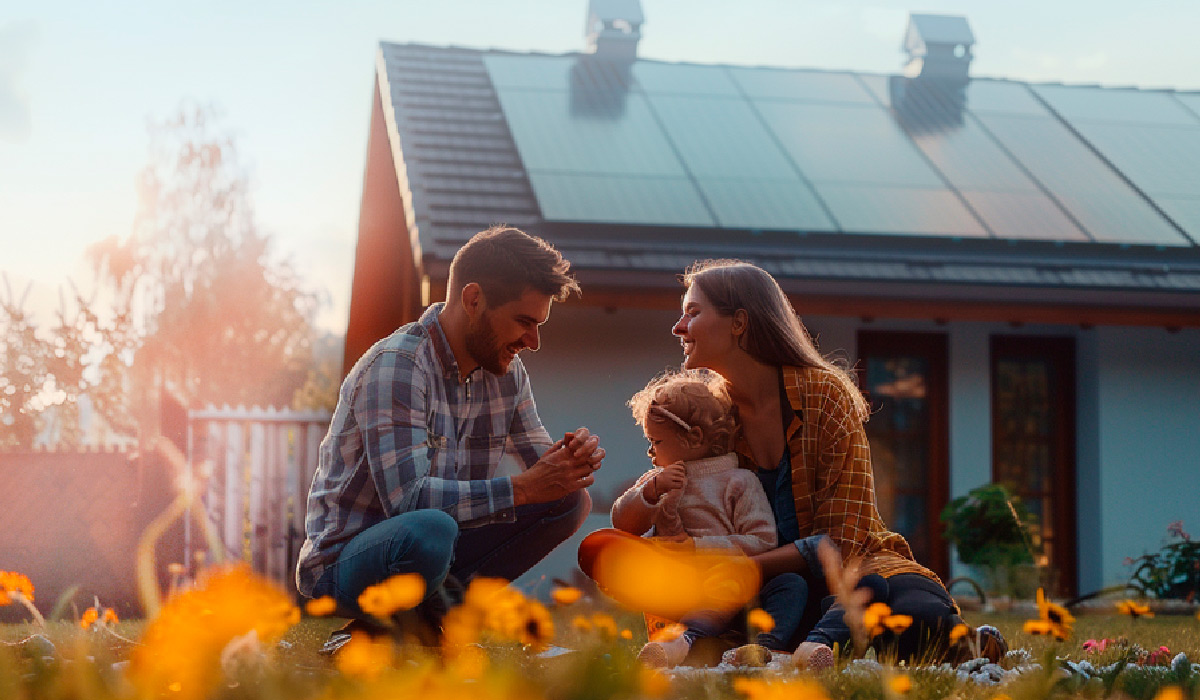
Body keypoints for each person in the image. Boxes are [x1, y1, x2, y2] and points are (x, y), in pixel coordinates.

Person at [670, 259, 1005, 666]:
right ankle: (806, 644)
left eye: (693, 312)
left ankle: (959, 643)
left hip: (855, 568)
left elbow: (842, 540)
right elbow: (684, 503)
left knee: (915, 616)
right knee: (712, 625)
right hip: (774, 589)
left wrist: (744, 566)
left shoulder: (825, 395)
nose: (678, 327)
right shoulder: (713, 415)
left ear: (739, 322)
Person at [296, 226, 604, 654]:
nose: (533, 342)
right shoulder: (398, 366)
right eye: (524, 322)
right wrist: (522, 488)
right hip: (348, 562)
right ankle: (399, 629)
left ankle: (410, 629)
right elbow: (409, 502)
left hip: (440, 547)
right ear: (473, 300)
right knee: (431, 529)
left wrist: (570, 463)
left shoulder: (507, 374)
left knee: (569, 501)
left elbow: (543, 475)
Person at [603, 368, 807, 668]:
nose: (650, 451)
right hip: (682, 587)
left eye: (656, 442)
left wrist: (697, 547)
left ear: (694, 438)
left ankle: (762, 649)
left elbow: (763, 541)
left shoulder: (738, 481)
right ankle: (687, 641)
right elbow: (622, 522)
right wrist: (650, 491)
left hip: (734, 583)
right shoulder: (657, 479)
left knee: (791, 585)